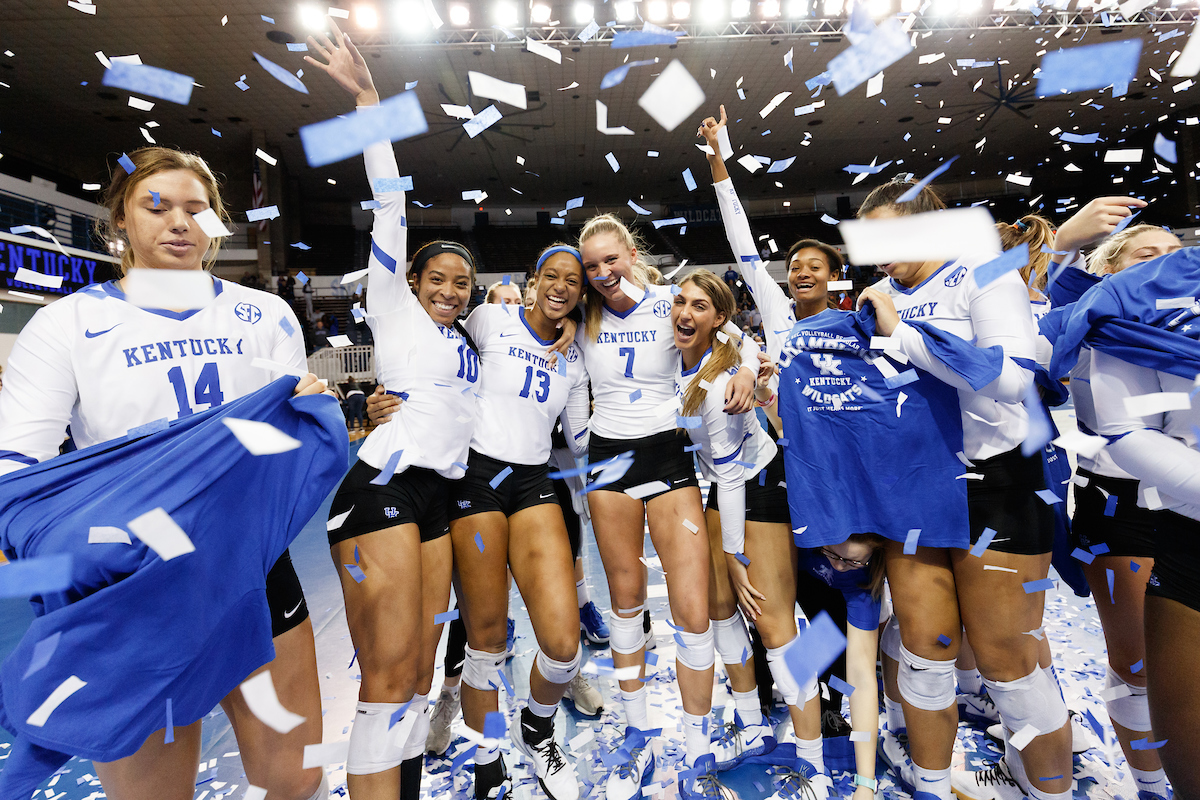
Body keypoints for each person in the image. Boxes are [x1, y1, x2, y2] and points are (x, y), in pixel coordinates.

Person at [0, 145, 332, 800]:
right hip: (134, 587)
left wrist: (310, 413)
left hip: (252, 567)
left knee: (296, 776)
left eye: (196, 209)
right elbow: (19, 466)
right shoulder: (64, 324)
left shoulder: (266, 316)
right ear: (119, 219)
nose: (179, 222)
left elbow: (286, 453)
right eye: (156, 205)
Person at [854, 178, 1071, 800]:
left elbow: (1011, 377)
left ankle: (1049, 790)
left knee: (1009, 663)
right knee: (925, 651)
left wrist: (902, 335)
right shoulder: (878, 296)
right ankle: (929, 786)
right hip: (914, 487)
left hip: (996, 484)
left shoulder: (984, 272)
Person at [307, 24, 473, 800]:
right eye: (436, 278)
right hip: (382, 490)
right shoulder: (394, 309)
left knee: (423, 666)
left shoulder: (472, 336)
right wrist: (371, 103)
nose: (448, 289)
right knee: (386, 669)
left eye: (461, 283)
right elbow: (390, 201)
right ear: (412, 278)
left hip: (438, 495)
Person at [575, 211, 760, 800]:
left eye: (613, 259)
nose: (603, 272)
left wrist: (749, 374)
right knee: (625, 602)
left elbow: (739, 343)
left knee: (691, 607)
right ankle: (638, 730)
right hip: (606, 460)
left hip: (666, 454)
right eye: (592, 265)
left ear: (633, 253)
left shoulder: (671, 302)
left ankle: (697, 743)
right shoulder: (583, 311)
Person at [1047, 245, 1200, 800]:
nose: (1162, 260)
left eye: (1170, 251)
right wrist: (1065, 244)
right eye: (1143, 254)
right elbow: (1049, 310)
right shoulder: (1095, 317)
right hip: (1122, 503)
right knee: (1137, 664)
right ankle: (1151, 785)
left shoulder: (1187, 312)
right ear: (1110, 271)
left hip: (1177, 504)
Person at [446, 244, 591, 800]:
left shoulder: (574, 355)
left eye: (572, 282)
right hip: (476, 478)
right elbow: (436, 349)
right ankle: (488, 758)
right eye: (550, 276)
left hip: (532, 482)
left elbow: (577, 440)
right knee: (485, 641)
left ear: (580, 294)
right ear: (532, 281)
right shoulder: (489, 319)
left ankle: (536, 727)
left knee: (562, 643)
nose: (560, 287)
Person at [668, 269, 784, 780]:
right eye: (680, 302)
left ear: (718, 318)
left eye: (699, 306)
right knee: (720, 609)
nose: (684, 313)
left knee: (772, 619)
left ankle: (811, 752)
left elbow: (733, 474)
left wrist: (735, 556)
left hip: (757, 484)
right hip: (724, 486)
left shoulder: (719, 387)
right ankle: (755, 722)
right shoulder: (687, 354)